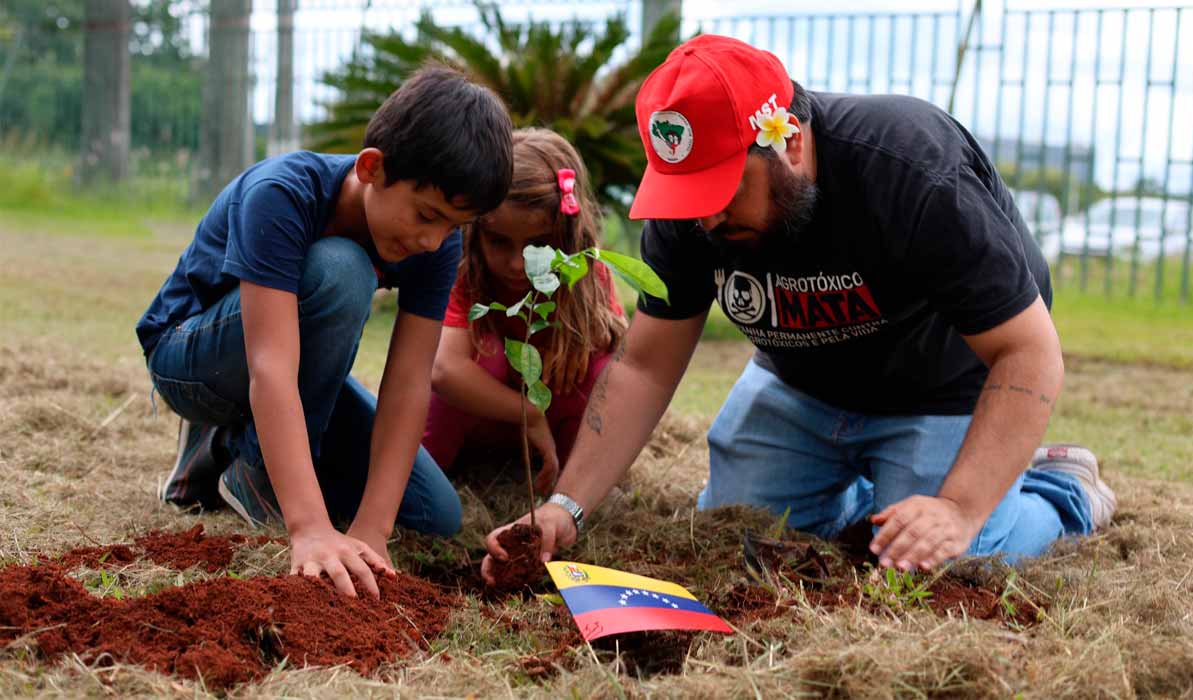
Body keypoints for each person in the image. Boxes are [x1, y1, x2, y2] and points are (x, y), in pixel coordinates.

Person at [482, 35, 1116, 582]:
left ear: (786, 143)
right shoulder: (690, 213)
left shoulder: (911, 170)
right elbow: (644, 367)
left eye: (723, 190)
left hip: (941, 385)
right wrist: (567, 506)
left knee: (947, 559)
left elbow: (1029, 351)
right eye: (687, 194)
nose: (705, 216)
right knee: (743, 540)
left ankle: (1061, 492)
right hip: (801, 382)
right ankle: (885, 485)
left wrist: (959, 506)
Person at [136, 64, 514, 598]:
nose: (434, 241)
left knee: (433, 510)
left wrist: (372, 530)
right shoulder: (281, 195)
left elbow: (408, 384)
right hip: (189, 360)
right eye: (427, 215)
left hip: (288, 372)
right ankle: (252, 467)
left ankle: (231, 448)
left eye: (454, 227)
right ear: (372, 168)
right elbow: (270, 365)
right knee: (342, 270)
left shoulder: (436, 244)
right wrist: (310, 528)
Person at [423, 128, 627, 494]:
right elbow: (445, 370)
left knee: (601, 368)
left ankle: (575, 483)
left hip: (551, 434)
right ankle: (423, 479)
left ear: (567, 235)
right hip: (483, 423)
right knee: (486, 356)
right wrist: (528, 413)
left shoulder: (586, 274)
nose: (518, 264)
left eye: (539, 245)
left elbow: (623, 374)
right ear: (476, 229)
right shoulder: (465, 271)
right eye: (499, 241)